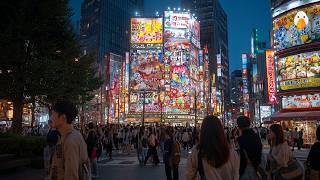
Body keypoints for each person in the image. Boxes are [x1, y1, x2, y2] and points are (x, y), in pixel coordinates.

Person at [186, 115, 240, 180]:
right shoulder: (232, 153)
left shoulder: (197, 152)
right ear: (221, 130)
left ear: (203, 131)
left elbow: (189, 176)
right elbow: (236, 176)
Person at [49, 99, 90, 180]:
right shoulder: (71, 136)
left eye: (53, 114)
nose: (51, 118)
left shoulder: (70, 141)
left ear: (63, 117)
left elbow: (71, 175)